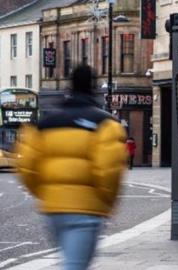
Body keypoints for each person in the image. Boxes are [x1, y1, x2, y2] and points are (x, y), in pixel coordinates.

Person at [15, 65, 127, 270]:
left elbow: (27, 166)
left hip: (53, 210)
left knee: (70, 262)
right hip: (87, 210)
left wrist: (46, 194)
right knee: (74, 266)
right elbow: (109, 172)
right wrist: (106, 204)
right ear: (93, 88)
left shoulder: (44, 124)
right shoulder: (105, 124)